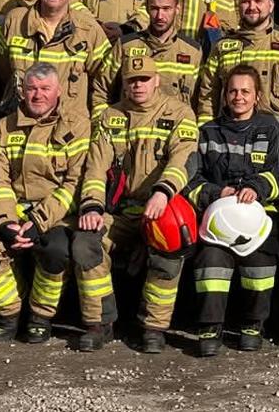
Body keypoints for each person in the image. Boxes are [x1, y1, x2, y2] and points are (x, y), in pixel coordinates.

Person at [0, 64, 110, 347]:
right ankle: (10, 311)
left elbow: (74, 183)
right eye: (31, 89)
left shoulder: (77, 125)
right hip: (12, 209)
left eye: (45, 89)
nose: (37, 95)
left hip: (54, 212)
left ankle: (40, 316)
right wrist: (5, 221)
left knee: (55, 250)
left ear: (58, 92)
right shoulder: (4, 126)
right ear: (22, 91)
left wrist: (39, 221)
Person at [89, 54, 200, 353]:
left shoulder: (180, 113)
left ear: (157, 81)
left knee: (171, 244)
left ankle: (153, 327)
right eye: (131, 80)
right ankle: (100, 322)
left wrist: (163, 191)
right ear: (123, 84)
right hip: (121, 210)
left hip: (161, 206)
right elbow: (96, 167)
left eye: (144, 79)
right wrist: (92, 207)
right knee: (88, 242)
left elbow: (184, 157)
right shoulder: (110, 117)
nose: (137, 85)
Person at [186, 66, 279, 356]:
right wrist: (215, 193)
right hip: (216, 219)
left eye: (245, 91)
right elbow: (191, 179)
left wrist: (258, 187)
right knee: (211, 260)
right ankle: (210, 326)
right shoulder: (207, 132)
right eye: (233, 91)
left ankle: (252, 324)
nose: (239, 97)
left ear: (257, 95)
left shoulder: (272, 130)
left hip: (259, 216)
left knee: (260, 259)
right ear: (225, 95)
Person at [0, 0, 111, 116]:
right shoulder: (15, 21)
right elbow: (1, 67)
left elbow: (105, 77)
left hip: (69, 123)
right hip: (21, 119)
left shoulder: (88, 28)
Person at [196, 0, 279, 121]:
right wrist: (207, 132)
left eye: (258, 1)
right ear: (238, 6)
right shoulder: (221, 47)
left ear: (271, 5)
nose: (252, 7)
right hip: (234, 131)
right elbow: (208, 94)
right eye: (246, 2)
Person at [93, 0, 201, 108]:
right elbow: (101, 90)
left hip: (175, 125)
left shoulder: (193, 52)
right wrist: (101, 123)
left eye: (166, 9)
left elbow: (201, 101)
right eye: (154, 8)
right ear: (147, 9)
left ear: (177, 9)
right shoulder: (126, 46)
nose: (160, 16)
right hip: (131, 124)